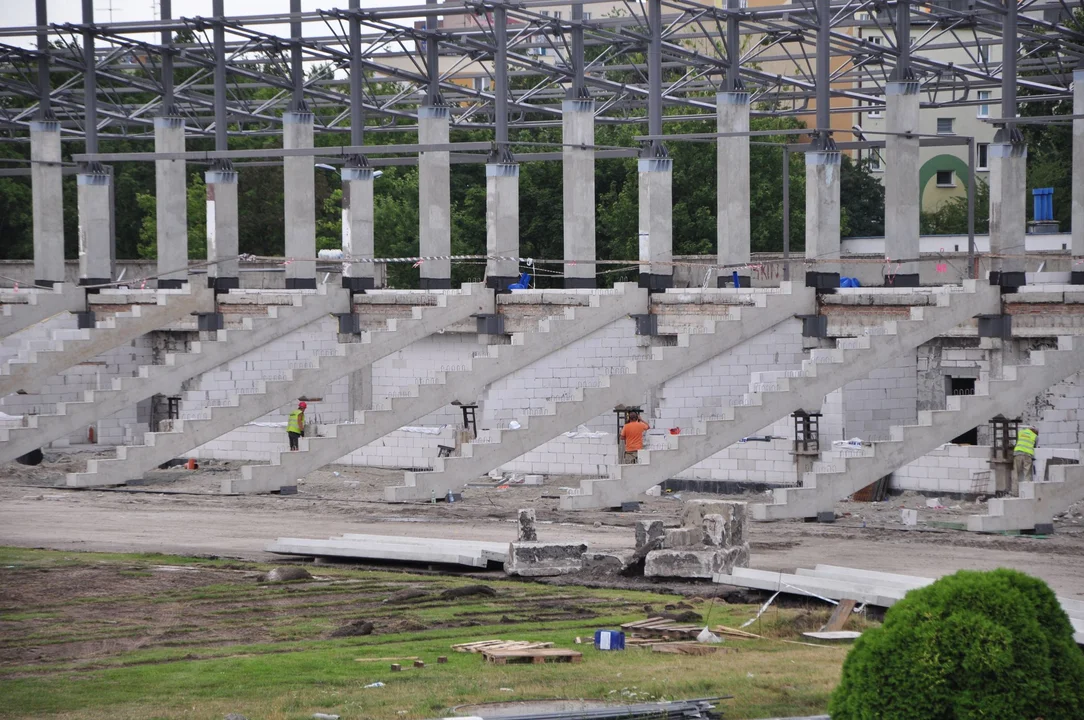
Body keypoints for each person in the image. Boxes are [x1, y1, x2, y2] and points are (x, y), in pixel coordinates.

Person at [1011, 425, 1038, 496]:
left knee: (1015, 474)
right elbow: (1035, 446)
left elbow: (1018, 441)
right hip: (1028, 455)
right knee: (1027, 474)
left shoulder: (1021, 432)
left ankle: (1015, 493)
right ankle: (1027, 493)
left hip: (1018, 454)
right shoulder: (1035, 436)